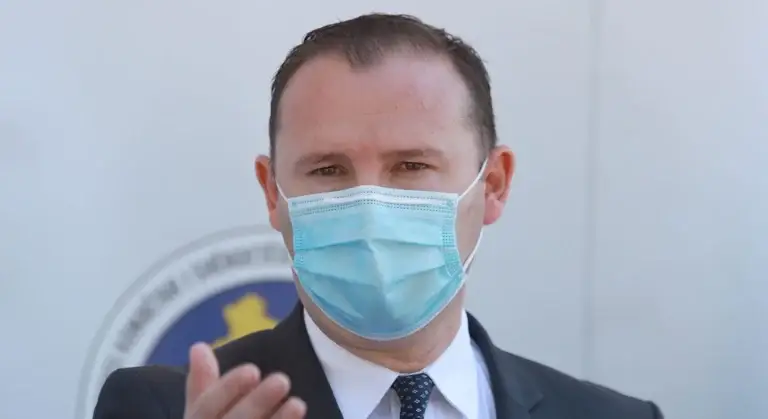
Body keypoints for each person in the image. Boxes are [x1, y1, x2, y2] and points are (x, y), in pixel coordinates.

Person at [93, 13, 664, 419]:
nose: (368, 206)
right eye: (328, 170)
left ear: (493, 184)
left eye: (411, 166)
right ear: (272, 193)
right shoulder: (166, 409)